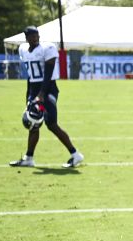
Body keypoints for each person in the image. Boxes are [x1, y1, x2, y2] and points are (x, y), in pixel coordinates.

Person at [9, 26, 83, 168]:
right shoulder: (23, 49)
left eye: (37, 35)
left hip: (48, 90)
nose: (35, 38)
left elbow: (48, 73)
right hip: (34, 89)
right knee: (34, 124)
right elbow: (30, 77)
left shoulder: (47, 48)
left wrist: (42, 95)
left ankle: (75, 155)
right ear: (27, 38)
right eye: (32, 36)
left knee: (52, 124)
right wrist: (28, 97)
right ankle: (29, 157)